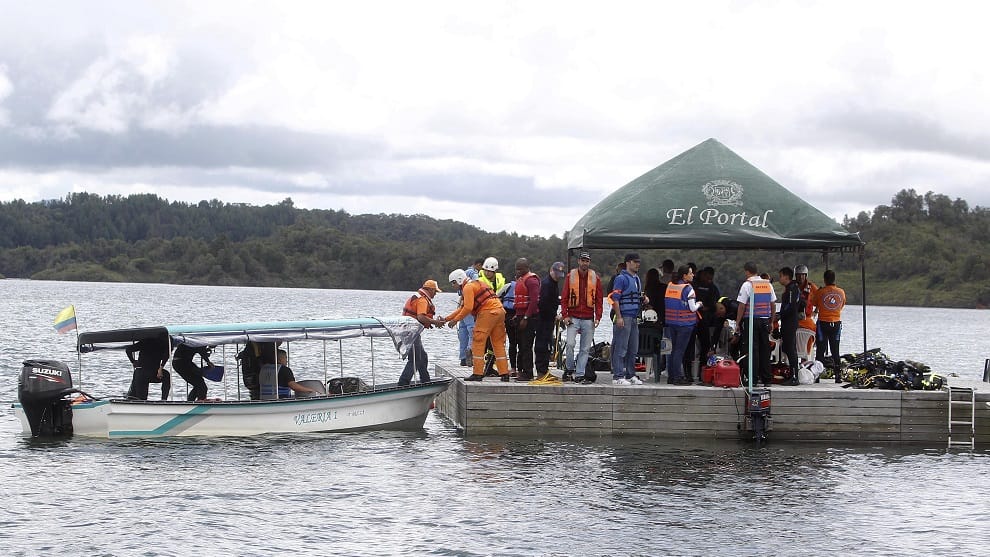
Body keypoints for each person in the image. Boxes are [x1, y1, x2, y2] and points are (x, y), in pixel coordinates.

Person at [444, 269, 511, 381]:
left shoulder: (467, 287)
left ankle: (478, 373)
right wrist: (446, 319)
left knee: (478, 341)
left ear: (459, 280)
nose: (453, 285)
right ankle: (504, 373)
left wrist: (455, 320)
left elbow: (468, 308)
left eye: (453, 282)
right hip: (500, 311)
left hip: (488, 312)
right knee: (498, 343)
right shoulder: (476, 284)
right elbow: (463, 308)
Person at [560, 252, 603, 384]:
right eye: (583, 260)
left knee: (585, 348)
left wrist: (598, 316)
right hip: (573, 317)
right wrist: (565, 315)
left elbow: (599, 300)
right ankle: (569, 369)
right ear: (579, 261)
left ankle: (579, 374)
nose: (585, 263)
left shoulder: (595, 278)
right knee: (570, 344)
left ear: (589, 262)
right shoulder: (570, 276)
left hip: (588, 318)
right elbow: (565, 298)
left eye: (587, 261)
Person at [735, 261, 776, 387]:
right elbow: (773, 304)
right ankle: (767, 379)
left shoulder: (747, 285)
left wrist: (737, 323)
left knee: (752, 350)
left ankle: (753, 378)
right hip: (765, 320)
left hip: (751, 320)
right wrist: (772, 320)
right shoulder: (767, 284)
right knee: (765, 350)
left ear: (747, 271)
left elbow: (741, 305)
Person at [608, 253, 646, 386]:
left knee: (633, 348)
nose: (638, 264)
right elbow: (615, 299)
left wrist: (643, 299)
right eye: (635, 262)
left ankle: (631, 374)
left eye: (638, 262)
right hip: (624, 316)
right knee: (621, 347)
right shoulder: (621, 278)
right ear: (628, 263)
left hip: (634, 316)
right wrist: (619, 317)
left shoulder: (636, 279)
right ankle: (618, 376)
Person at [399, 279, 445, 386]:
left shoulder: (418, 297)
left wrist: (430, 323)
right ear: (429, 290)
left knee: (422, 357)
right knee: (415, 359)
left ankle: (425, 381)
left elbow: (419, 317)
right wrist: (435, 322)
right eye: (435, 291)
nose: (435, 294)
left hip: (408, 331)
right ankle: (402, 384)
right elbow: (421, 317)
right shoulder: (423, 300)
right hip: (411, 332)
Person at [664, 265, 703, 385]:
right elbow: (692, 308)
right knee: (679, 351)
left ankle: (671, 377)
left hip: (671, 322)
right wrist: (699, 304)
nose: (693, 275)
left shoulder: (670, 286)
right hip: (685, 324)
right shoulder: (688, 289)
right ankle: (678, 377)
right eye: (691, 273)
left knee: (673, 350)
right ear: (684, 275)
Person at [813, 269, 847, 382]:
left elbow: (814, 302)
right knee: (835, 350)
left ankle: (817, 376)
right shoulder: (841, 292)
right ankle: (838, 376)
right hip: (836, 323)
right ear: (834, 279)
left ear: (825, 279)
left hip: (823, 323)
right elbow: (842, 305)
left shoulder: (821, 292)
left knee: (820, 350)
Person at [512, 258, 542, 381]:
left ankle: (528, 372)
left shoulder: (532, 280)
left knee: (526, 345)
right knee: (520, 345)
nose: (518, 271)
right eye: (517, 269)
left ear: (527, 268)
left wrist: (525, 317)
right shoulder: (520, 280)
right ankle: (522, 370)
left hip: (529, 318)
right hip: (520, 315)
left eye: (520, 269)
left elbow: (534, 301)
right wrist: (516, 315)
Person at [535, 261, 565, 378]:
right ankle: (541, 371)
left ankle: (544, 369)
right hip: (543, 319)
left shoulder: (553, 283)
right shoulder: (547, 284)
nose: (558, 276)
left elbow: (552, 299)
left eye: (559, 274)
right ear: (551, 271)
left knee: (547, 344)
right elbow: (543, 303)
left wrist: (561, 302)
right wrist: (554, 315)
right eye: (556, 273)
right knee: (542, 344)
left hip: (548, 319)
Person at [457, 258, 485, 366]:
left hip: (461, 303)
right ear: (478, 265)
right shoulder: (474, 273)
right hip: (469, 304)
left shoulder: (463, 273)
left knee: (463, 331)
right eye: (481, 266)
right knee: (472, 330)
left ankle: (463, 358)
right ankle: (470, 355)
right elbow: (477, 285)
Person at [776, 267, 801, 386]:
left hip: (790, 322)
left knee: (791, 349)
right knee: (787, 348)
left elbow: (791, 306)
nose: (779, 278)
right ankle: (791, 373)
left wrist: (780, 315)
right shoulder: (790, 288)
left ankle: (795, 376)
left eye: (780, 276)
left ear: (786, 276)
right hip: (787, 322)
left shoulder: (792, 289)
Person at [125, 335, 170, 400]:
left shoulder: (145, 341)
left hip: (141, 372)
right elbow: (166, 356)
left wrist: (133, 361)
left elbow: (128, 350)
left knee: (141, 399)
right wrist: (160, 369)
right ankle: (164, 400)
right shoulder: (163, 343)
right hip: (154, 372)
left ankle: (133, 401)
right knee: (167, 375)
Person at [693, 266, 721, 365]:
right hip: (693, 318)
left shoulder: (713, 288)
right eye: (706, 276)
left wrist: (707, 308)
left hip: (705, 320)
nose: (708, 280)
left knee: (705, 345)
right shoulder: (694, 284)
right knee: (691, 345)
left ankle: (703, 366)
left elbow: (716, 304)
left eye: (710, 278)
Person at [795, 264, 819, 334]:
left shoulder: (812, 287)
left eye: (803, 275)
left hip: (807, 318)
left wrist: (816, 311)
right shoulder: (791, 286)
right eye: (798, 275)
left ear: (806, 275)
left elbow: (820, 298)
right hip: (793, 318)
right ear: (795, 275)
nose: (800, 277)